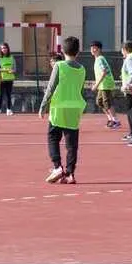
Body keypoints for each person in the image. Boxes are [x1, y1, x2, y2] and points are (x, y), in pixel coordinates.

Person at [39, 36, 86, 185]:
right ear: (77, 51)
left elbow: (51, 88)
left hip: (59, 107)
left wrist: (43, 106)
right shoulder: (82, 69)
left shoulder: (59, 66)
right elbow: (80, 88)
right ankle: (70, 174)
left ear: (63, 50)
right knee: (72, 144)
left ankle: (57, 166)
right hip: (75, 108)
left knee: (53, 137)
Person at [89, 41, 120, 129]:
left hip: (105, 84)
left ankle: (116, 121)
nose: (92, 49)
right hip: (102, 85)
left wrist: (96, 85)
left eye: (94, 48)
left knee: (107, 102)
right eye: (91, 48)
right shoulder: (98, 59)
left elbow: (104, 72)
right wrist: (96, 83)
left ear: (99, 49)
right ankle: (111, 119)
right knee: (99, 102)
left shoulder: (100, 59)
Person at [119, 41, 132, 139]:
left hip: (131, 89)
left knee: (131, 112)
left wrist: (127, 85)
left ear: (125, 49)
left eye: (122, 50)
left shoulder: (130, 58)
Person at [0, 42, 16, 115]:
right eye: (2, 48)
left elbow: (14, 69)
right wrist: (5, 70)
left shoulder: (11, 57)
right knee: (0, 95)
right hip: (1, 79)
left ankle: (9, 109)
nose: (4, 49)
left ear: (8, 49)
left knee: (8, 95)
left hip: (9, 79)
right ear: (0, 50)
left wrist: (12, 71)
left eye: (5, 48)